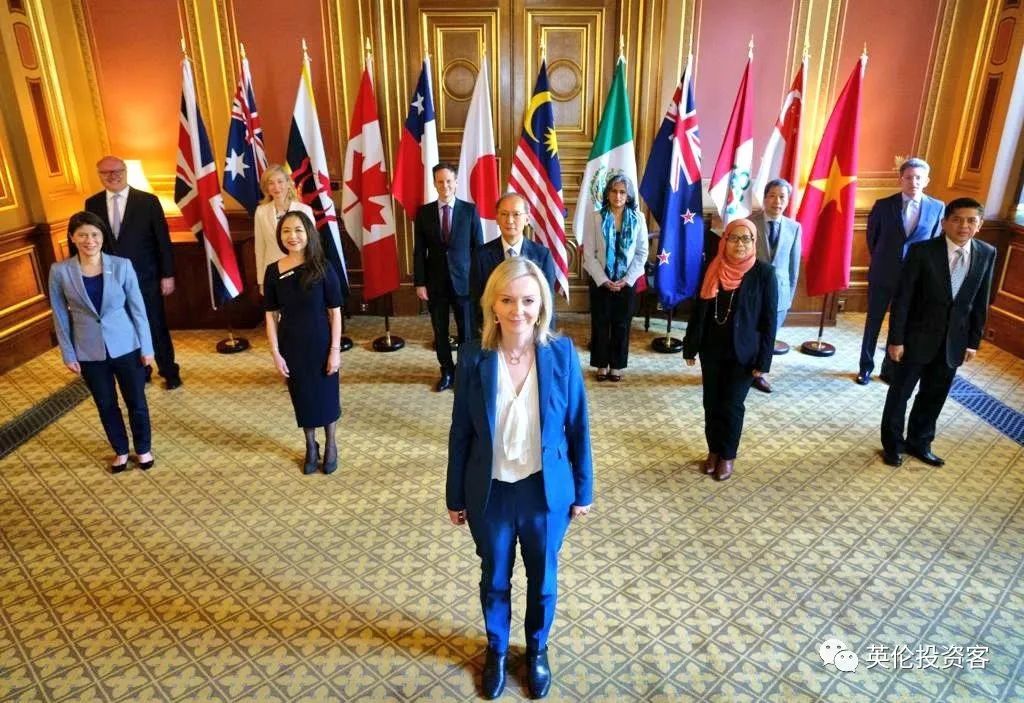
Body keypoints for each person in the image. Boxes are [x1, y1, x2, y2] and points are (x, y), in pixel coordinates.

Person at [447, 258, 593, 700]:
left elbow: (578, 426)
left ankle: (537, 649)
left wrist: (583, 489)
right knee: (494, 577)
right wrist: (454, 495)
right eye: (507, 300)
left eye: (528, 300)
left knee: (543, 580)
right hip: (490, 492)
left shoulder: (561, 354)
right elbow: (461, 432)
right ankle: (496, 649)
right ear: (492, 305)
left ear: (541, 304)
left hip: (543, 494)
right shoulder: (473, 356)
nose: (518, 310)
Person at [879, 198, 995, 468]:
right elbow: (903, 299)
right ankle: (892, 445)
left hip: (953, 341)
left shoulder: (987, 253)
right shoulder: (922, 251)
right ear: (944, 223)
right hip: (915, 339)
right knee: (900, 394)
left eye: (971, 220)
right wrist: (896, 340)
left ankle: (920, 442)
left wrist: (973, 342)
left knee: (934, 395)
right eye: (957, 220)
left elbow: (981, 300)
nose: (964, 226)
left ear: (980, 225)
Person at [48, 211, 155, 473]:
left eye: (95, 234)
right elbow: (60, 315)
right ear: (72, 237)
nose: (89, 240)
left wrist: (147, 347)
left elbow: (138, 310)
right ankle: (120, 450)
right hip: (88, 350)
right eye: (82, 235)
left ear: (102, 236)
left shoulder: (122, 265)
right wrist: (68, 353)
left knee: (136, 401)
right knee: (106, 404)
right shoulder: (60, 271)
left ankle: (143, 448)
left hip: (127, 346)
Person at [683, 218, 777, 481]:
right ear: (724, 240)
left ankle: (727, 455)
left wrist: (764, 362)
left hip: (744, 354)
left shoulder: (764, 274)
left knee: (732, 405)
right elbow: (699, 311)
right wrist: (690, 346)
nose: (739, 244)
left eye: (746, 238)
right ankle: (713, 450)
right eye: (734, 238)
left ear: (753, 242)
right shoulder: (712, 268)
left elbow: (769, 322)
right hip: (712, 349)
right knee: (711, 403)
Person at [85, 155, 182, 389]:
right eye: (106, 172)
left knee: (154, 324)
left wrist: (167, 274)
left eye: (117, 170)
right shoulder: (92, 204)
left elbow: (162, 241)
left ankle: (169, 372)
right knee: (125, 327)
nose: (113, 176)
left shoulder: (148, 201)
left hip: (146, 276)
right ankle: (142, 370)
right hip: (111, 280)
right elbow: (91, 241)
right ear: (100, 176)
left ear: (125, 171)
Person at [263, 211, 343, 475]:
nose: (292, 236)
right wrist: (275, 352)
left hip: (321, 343)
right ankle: (310, 445)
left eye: (298, 230)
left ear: (308, 233)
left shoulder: (323, 266)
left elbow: (335, 312)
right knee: (302, 397)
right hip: (291, 345)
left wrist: (335, 351)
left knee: (326, 396)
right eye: (286, 231)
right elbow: (271, 315)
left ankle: (331, 443)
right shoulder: (272, 271)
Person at [857, 158, 944, 386]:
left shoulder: (937, 208)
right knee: (873, 322)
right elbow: (873, 239)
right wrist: (886, 261)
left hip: (914, 279)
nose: (913, 182)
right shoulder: (883, 205)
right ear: (900, 180)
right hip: (883, 274)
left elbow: (933, 242)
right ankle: (865, 367)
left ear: (927, 180)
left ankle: (890, 369)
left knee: (900, 323)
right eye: (909, 177)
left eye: (918, 178)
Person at [413, 163, 484, 392]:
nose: (445, 186)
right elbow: (419, 251)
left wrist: (479, 282)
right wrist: (420, 283)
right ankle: (446, 371)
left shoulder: (470, 211)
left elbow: (478, 249)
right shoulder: (424, 213)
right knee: (440, 331)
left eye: (449, 181)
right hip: (435, 283)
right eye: (440, 181)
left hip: (465, 283)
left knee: (467, 331)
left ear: (456, 182)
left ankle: (464, 372)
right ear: (434, 184)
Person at [582, 174, 649, 382]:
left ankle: (616, 366)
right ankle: (601, 364)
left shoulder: (638, 218)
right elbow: (589, 253)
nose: (618, 196)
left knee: (622, 324)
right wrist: (603, 279)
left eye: (622, 192)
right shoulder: (595, 217)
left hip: (626, 282)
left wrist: (627, 279)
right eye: (614, 191)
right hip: (601, 280)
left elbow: (642, 253)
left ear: (628, 195)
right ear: (607, 193)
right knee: (600, 323)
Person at [469, 192, 557, 331]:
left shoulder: (542, 256)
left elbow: (548, 302)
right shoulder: (481, 255)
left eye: (516, 214)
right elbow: (476, 301)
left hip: (531, 330)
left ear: (527, 219)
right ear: (497, 218)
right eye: (504, 214)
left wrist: (545, 336)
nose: (509, 220)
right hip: (494, 330)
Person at [750, 178, 802, 393]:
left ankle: (760, 374)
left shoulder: (794, 228)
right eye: (772, 196)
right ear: (764, 198)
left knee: (768, 336)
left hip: (779, 294)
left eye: (782, 197)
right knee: (750, 333)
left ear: (787, 201)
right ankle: (743, 371)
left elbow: (793, 268)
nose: (777, 201)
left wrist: (788, 297)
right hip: (752, 291)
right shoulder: (750, 222)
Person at [254, 164, 314, 295]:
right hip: (273, 272)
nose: (276, 187)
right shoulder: (260, 212)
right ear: (266, 187)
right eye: (271, 183)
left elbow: (312, 245)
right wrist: (261, 281)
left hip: (302, 272)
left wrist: (313, 273)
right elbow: (260, 248)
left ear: (288, 183)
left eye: (280, 181)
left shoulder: (305, 210)